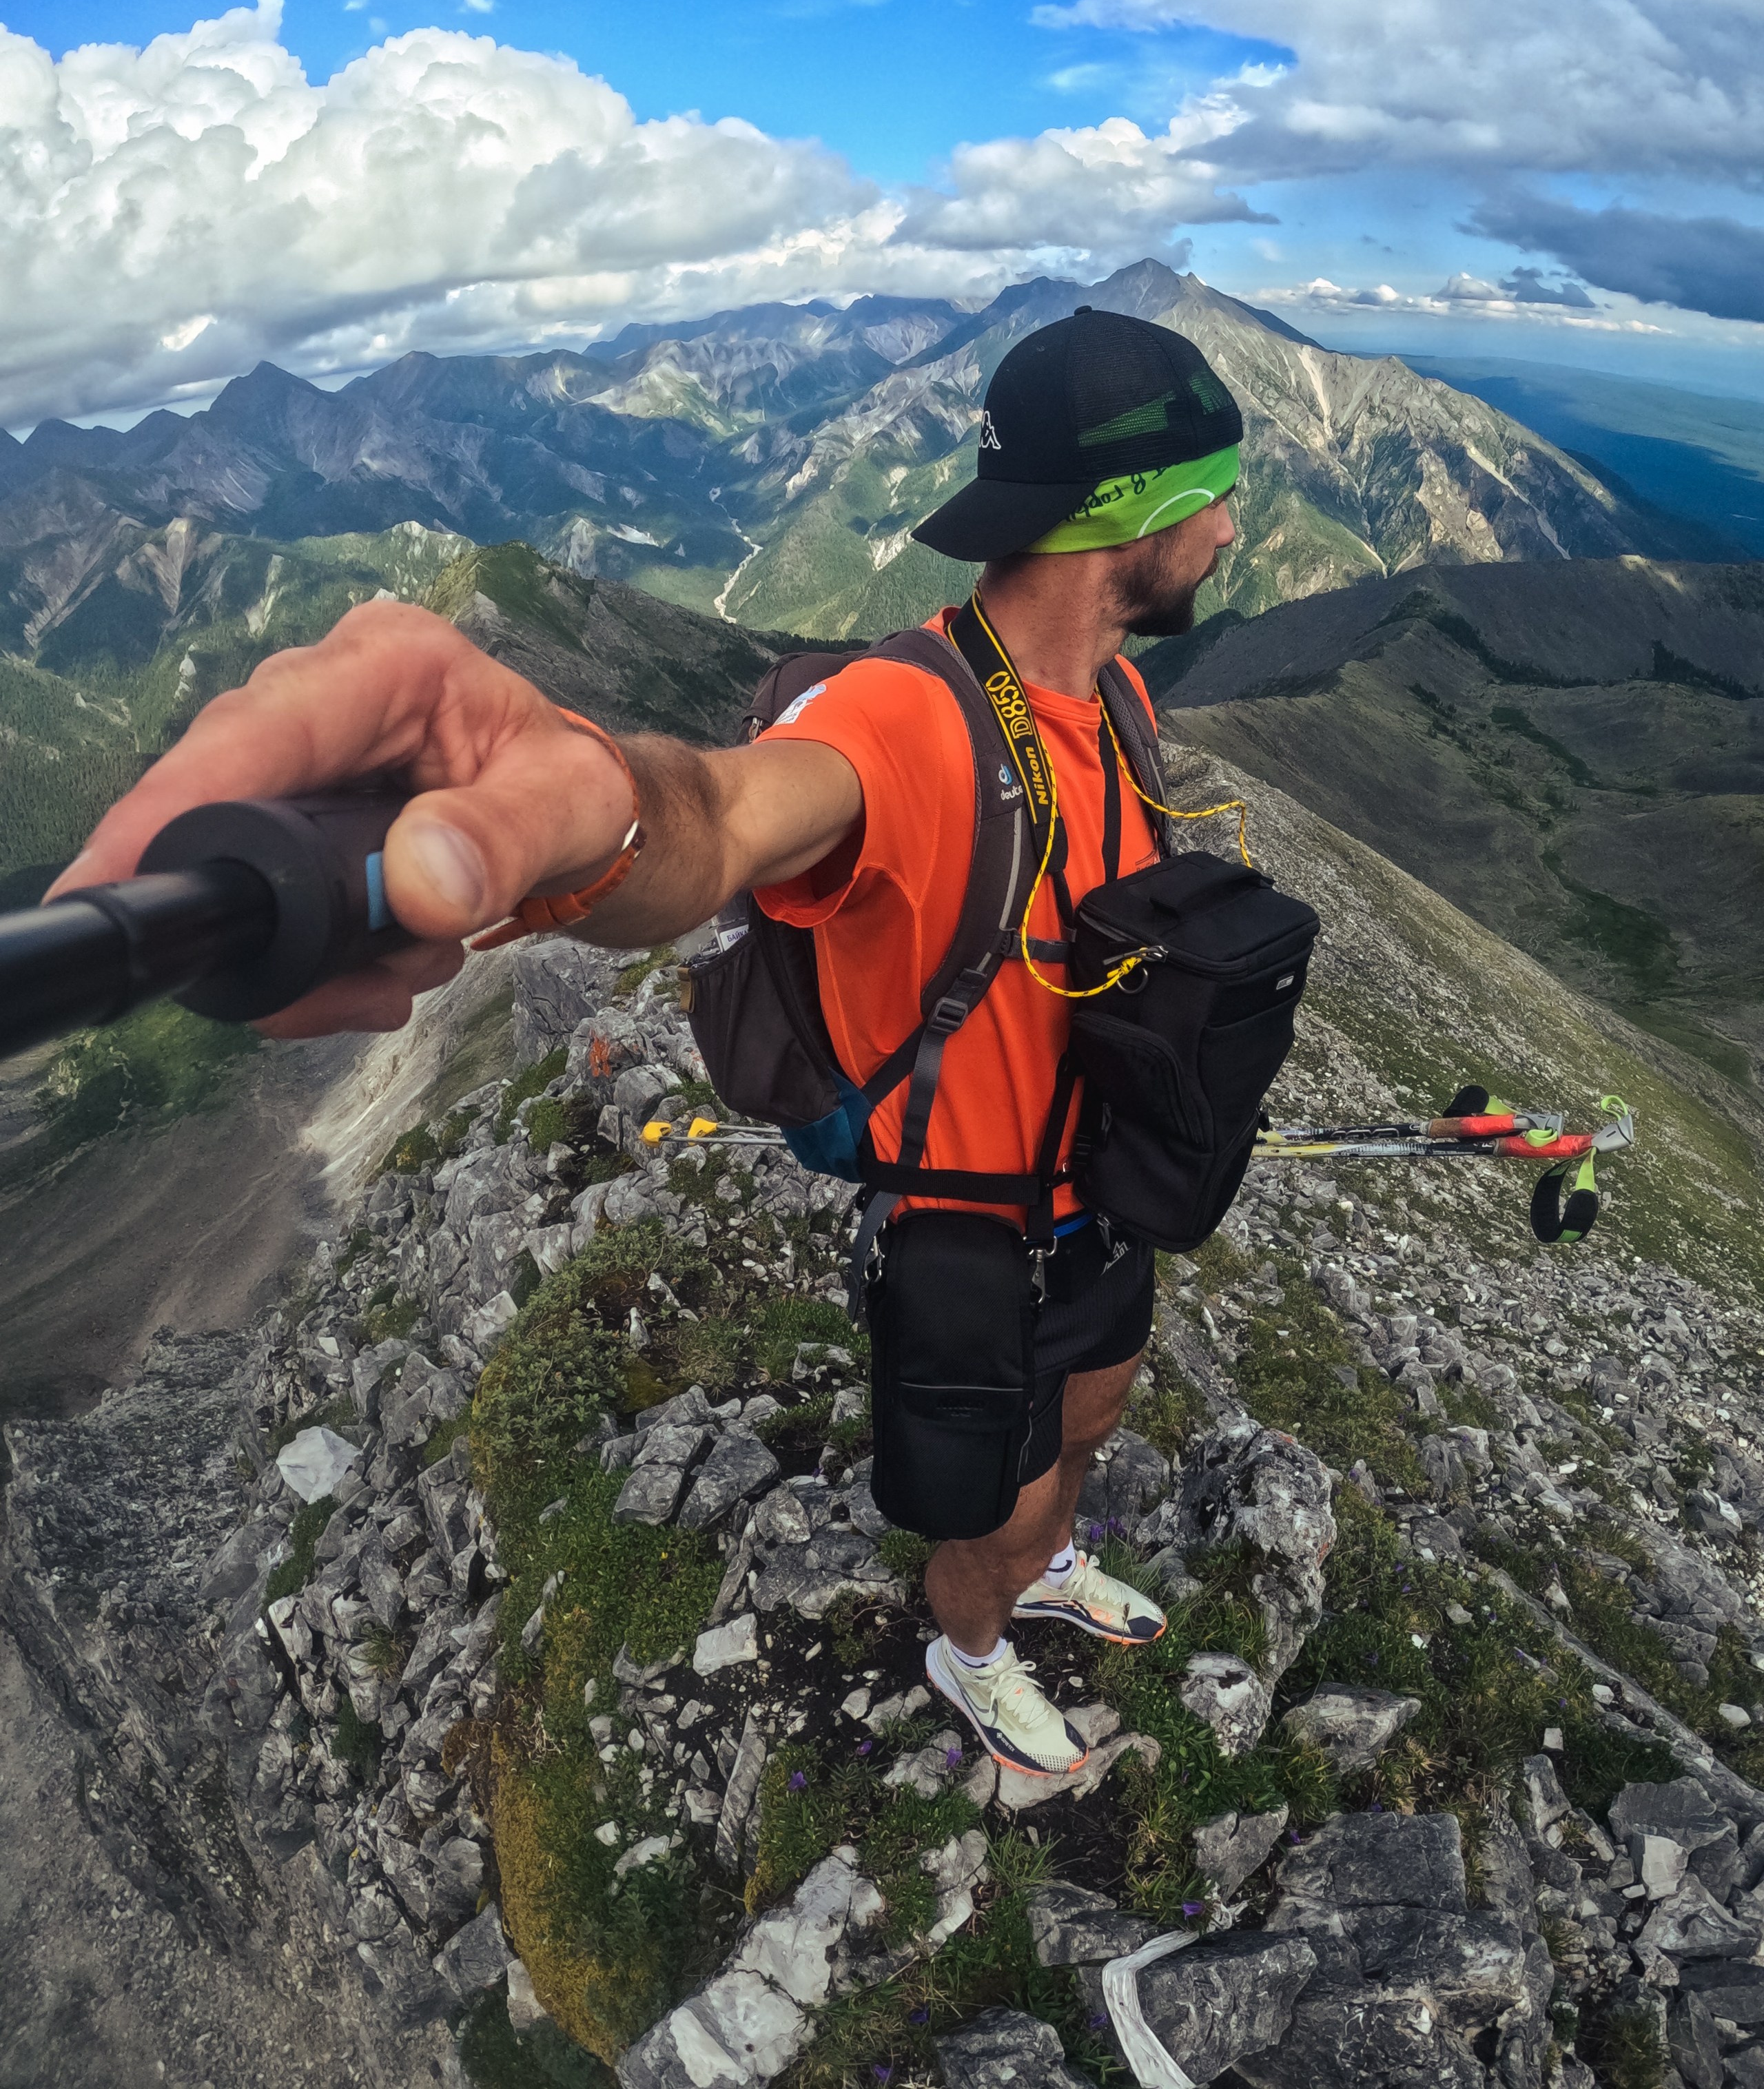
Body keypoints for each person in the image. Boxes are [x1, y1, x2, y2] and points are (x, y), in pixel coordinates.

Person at [54, 306, 1242, 1779]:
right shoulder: (906, 723)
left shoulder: (1111, 692)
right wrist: (602, 810)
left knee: (1088, 1419)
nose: (1234, 529)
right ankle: (972, 1644)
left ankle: (1045, 1560)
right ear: (1124, 517)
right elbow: (733, 812)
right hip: (969, 1230)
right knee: (986, 1501)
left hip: (1101, 1199)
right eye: (1213, 497)